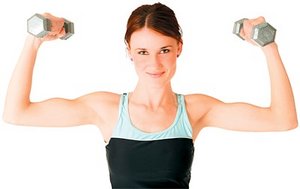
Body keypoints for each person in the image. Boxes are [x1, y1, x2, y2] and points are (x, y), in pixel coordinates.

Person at [3, 2, 298, 189]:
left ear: (179, 48)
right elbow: (18, 113)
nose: (154, 64)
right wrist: (34, 40)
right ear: (128, 52)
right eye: (142, 52)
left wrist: (268, 45)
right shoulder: (105, 109)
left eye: (164, 50)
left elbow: (283, 120)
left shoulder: (196, 109)